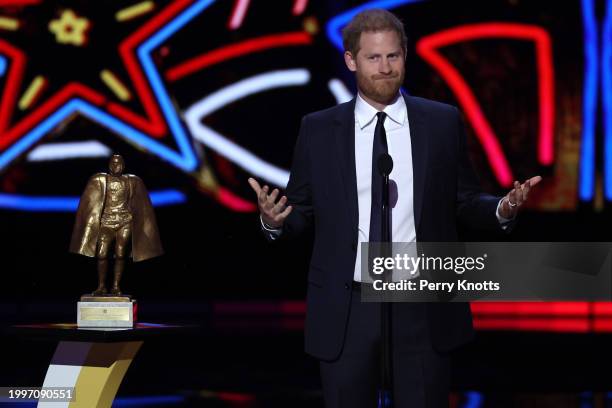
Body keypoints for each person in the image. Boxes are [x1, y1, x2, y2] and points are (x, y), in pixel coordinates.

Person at [248, 9, 541, 408]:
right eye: (373, 58)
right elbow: (301, 212)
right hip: (347, 308)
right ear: (351, 61)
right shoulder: (318, 128)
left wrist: (503, 209)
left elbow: (465, 200)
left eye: (393, 56)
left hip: (421, 304)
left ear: (404, 56)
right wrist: (274, 222)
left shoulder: (440, 122)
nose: (385, 68)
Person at [70, 154, 163, 296]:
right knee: (102, 253)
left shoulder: (132, 181)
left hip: (124, 222)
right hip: (106, 222)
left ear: (123, 165)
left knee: (120, 254)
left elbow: (142, 205)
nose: (115, 166)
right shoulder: (101, 180)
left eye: (118, 163)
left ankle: (116, 286)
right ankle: (101, 286)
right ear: (109, 165)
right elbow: (89, 203)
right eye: (113, 163)